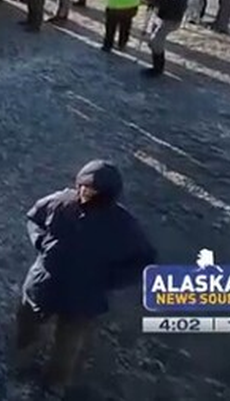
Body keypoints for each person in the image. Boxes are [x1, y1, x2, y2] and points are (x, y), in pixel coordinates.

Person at [16, 160, 156, 396]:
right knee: (26, 327)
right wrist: (40, 242)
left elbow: (144, 260)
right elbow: (33, 219)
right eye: (82, 186)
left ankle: (54, 386)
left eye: (92, 190)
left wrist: (111, 279)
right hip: (43, 285)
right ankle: (21, 366)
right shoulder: (59, 202)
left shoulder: (124, 225)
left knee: (67, 348)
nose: (84, 193)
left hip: (82, 298)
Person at [139, 0, 191, 77]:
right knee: (153, 42)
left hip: (170, 19)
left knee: (156, 41)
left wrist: (155, 0)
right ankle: (156, 65)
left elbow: (173, 4)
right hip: (159, 16)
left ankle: (158, 69)